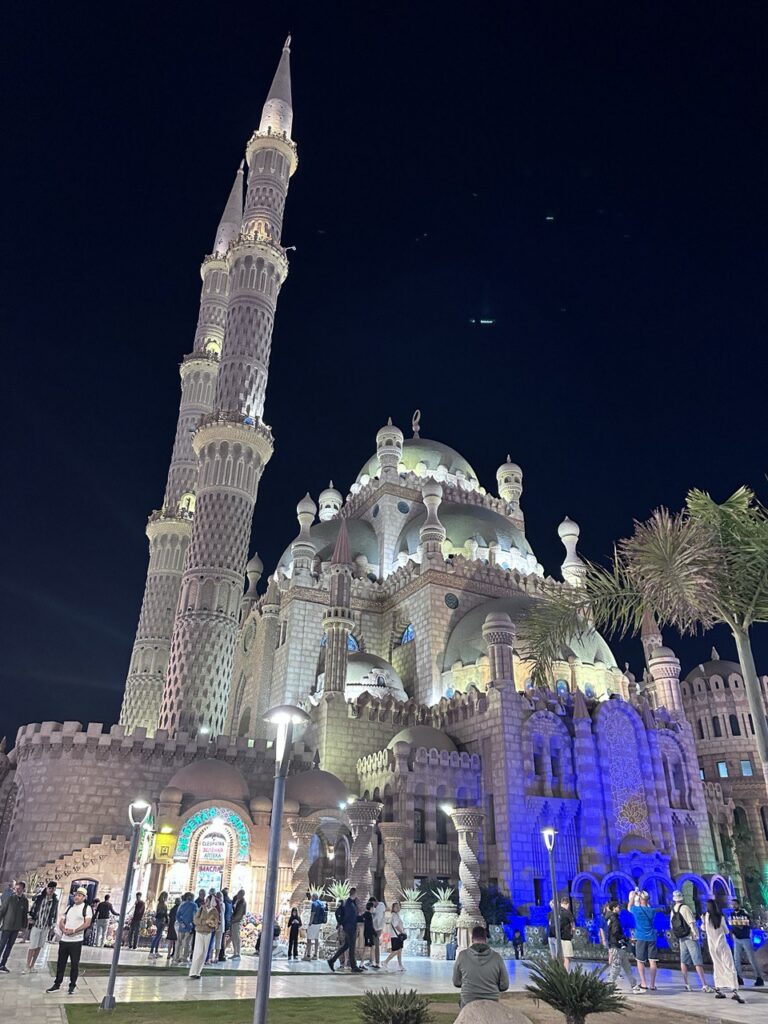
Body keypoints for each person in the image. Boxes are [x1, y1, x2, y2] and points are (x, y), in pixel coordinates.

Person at [46, 887, 92, 994]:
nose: (77, 897)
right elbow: (61, 921)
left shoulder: (87, 908)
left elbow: (87, 923)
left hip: (76, 941)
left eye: (79, 895)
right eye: (76, 895)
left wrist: (74, 930)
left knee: (74, 964)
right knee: (61, 963)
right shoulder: (69, 907)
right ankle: (57, 984)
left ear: (84, 897)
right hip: (65, 940)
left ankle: (72, 985)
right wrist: (63, 929)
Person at [452, 924, 510, 1008]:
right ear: (486, 939)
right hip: (491, 1000)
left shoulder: (462, 956)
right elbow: (504, 985)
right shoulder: (497, 957)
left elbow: (456, 982)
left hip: (468, 1000)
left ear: (472, 939)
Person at [669, 890, 714, 992]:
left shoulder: (673, 910)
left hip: (681, 937)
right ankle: (704, 984)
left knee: (683, 961)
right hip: (690, 936)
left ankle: (687, 984)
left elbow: (671, 925)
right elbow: (691, 922)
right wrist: (695, 935)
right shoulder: (685, 908)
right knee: (697, 960)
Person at [703, 899, 745, 1003]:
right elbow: (726, 931)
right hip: (722, 944)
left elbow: (703, 928)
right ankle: (734, 989)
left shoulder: (704, 917)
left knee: (717, 965)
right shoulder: (720, 916)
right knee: (729, 965)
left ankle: (718, 988)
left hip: (712, 946)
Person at [599, 900, 638, 992]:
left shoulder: (609, 918)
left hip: (617, 945)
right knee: (616, 966)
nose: (619, 909)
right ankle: (609, 985)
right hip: (616, 945)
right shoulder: (614, 919)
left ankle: (634, 985)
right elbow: (615, 933)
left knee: (626, 966)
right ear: (614, 908)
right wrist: (627, 939)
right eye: (618, 907)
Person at [628, 890, 658, 992]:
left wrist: (633, 897)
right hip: (651, 937)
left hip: (640, 937)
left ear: (640, 899)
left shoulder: (636, 910)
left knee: (640, 961)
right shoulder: (652, 911)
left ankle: (644, 983)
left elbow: (629, 907)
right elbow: (649, 906)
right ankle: (652, 984)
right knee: (652, 961)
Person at [26, 881, 58, 973]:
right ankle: (27, 966)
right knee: (32, 946)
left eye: (53, 889)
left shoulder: (55, 901)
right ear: (47, 888)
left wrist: (52, 925)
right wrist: (30, 918)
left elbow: (55, 913)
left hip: (45, 926)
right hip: (36, 924)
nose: (51, 890)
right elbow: (33, 908)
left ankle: (32, 965)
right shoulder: (40, 898)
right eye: (50, 888)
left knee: (39, 946)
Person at [730, 901, 764, 987]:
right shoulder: (732, 914)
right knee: (736, 959)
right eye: (732, 904)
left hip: (745, 938)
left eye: (735, 904)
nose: (733, 906)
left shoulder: (744, 913)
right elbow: (732, 926)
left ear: (738, 905)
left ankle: (759, 978)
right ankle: (739, 978)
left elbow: (748, 924)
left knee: (751, 958)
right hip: (736, 939)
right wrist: (733, 933)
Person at [328, 887, 362, 972]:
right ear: (354, 894)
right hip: (350, 928)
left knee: (346, 946)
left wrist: (361, 918)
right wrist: (342, 923)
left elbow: (353, 917)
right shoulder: (348, 904)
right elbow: (346, 916)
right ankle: (353, 967)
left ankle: (332, 960)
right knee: (352, 947)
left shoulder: (350, 903)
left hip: (350, 927)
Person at [0, 880, 29, 972]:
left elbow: (25, 914)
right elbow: (2, 910)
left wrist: (24, 927)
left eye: (19, 888)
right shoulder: (10, 898)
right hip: (7, 926)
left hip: (16, 928)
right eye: (16, 888)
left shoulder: (25, 901)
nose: (17, 890)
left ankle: (2, 964)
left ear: (23, 889)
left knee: (9, 947)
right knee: (1, 945)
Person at [189, 895, 219, 979]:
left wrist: (213, 924)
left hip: (208, 933)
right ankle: (193, 972)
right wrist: (205, 922)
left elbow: (216, 922)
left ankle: (198, 972)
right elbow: (195, 920)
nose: (206, 902)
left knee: (204, 953)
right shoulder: (201, 909)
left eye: (208, 900)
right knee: (198, 952)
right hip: (199, 932)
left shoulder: (214, 911)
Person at [547, 897, 575, 970]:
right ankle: (565, 973)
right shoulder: (567, 912)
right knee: (566, 957)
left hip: (555, 937)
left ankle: (555, 971)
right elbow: (573, 926)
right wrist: (572, 934)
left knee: (555, 957)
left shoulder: (552, 913)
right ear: (567, 904)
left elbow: (549, 924)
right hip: (565, 938)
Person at [382, 901, 406, 972]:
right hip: (396, 935)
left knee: (399, 951)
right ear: (393, 908)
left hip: (397, 935)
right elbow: (396, 925)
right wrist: (402, 932)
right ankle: (385, 961)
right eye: (396, 907)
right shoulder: (394, 915)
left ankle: (400, 965)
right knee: (396, 951)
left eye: (398, 906)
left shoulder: (396, 915)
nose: (398, 908)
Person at [173, 892, 196, 964]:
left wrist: (181, 922)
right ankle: (184, 957)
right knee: (187, 943)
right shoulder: (194, 905)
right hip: (189, 927)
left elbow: (177, 916)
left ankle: (176, 957)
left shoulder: (181, 905)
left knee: (179, 942)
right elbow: (195, 916)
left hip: (181, 926)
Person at [303, 892, 325, 961]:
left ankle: (308, 955)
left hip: (314, 923)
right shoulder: (321, 903)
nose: (311, 898)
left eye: (312, 897)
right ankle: (315, 955)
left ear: (314, 897)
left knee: (309, 939)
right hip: (319, 923)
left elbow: (312, 914)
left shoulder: (314, 903)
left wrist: (310, 922)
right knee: (316, 939)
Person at [149, 891, 169, 958]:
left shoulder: (160, 904)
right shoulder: (162, 904)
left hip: (160, 920)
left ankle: (156, 951)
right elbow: (163, 913)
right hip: (161, 921)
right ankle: (151, 952)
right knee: (157, 936)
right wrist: (166, 919)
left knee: (159, 936)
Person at [230, 889, 246, 960]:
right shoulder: (235, 899)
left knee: (237, 937)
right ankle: (235, 953)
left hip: (237, 921)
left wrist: (233, 920)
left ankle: (238, 954)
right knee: (233, 937)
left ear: (242, 895)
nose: (238, 895)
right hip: (233, 920)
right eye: (238, 893)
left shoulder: (243, 903)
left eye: (240, 894)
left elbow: (240, 914)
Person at [218, 888, 233, 961]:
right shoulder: (230, 902)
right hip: (227, 922)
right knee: (223, 939)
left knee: (220, 939)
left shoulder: (224, 902)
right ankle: (222, 954)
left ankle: (221, 955)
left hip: (223, 922)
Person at [361, 900, 377, 967]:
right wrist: (374, 933)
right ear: (371, 908)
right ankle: (362, 964)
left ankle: (372, 962)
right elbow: (370, 926)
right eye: (373, 907)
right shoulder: (368, 915)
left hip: (368, 933)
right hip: (368, 934)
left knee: (372, 947)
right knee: (367, 948)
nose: (374, 908)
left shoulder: (366, 914)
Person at [370, 897, 385, 968]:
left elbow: (379, 917)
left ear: (375, 901)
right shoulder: (375, 908)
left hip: (377, 928)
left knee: (376, 945)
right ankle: (373, 961)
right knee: (374, 945)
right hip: (375, 928)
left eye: (373, 904)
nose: (373, 905)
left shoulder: (381, 906)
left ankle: (377, 962)